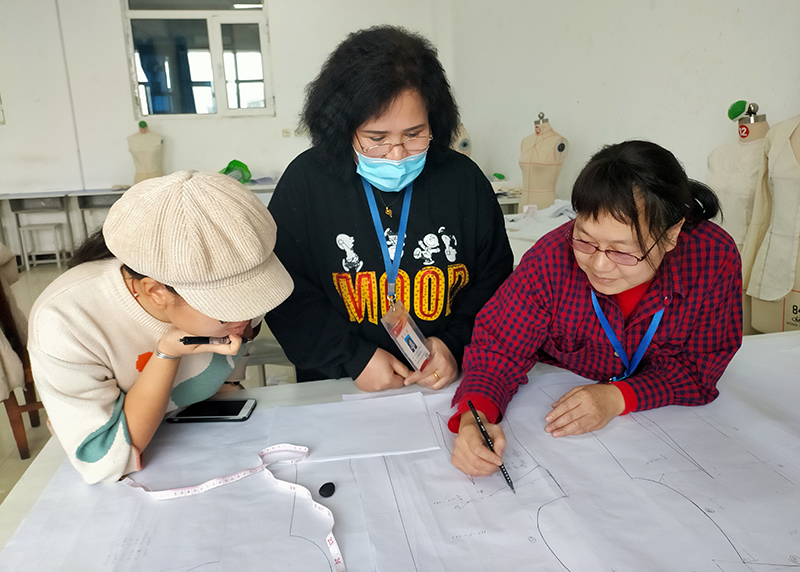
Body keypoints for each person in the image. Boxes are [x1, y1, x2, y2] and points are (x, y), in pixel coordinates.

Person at [450, 140, 743, 476]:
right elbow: (498, 349)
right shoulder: (550, 260)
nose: (600, 266)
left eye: (623, 251)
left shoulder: (712, 258)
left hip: (666, 444)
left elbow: (701, 367)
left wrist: (617, 397)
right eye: (585, 240)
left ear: (671, 233)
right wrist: (474, 417)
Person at [265, 26, 513, 392]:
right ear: (343, 127)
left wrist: (454, 345)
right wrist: (352, 357)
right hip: (340, 385)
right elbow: (284, 290)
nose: (397, 154)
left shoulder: (463, 181)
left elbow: (495, 282)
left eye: (414, 135)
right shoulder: (306, 183)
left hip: (441, 382)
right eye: (377, 138)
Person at [28, 171, 294, 484]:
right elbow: (105, 460)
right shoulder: (64, 321)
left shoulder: (233, 267)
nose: (247, 318)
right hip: (133, 478)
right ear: (156, 292)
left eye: (256, 297)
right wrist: (167, 354)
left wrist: (229, 386)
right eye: (226, 309)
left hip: (201, 447)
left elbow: (230, 373)